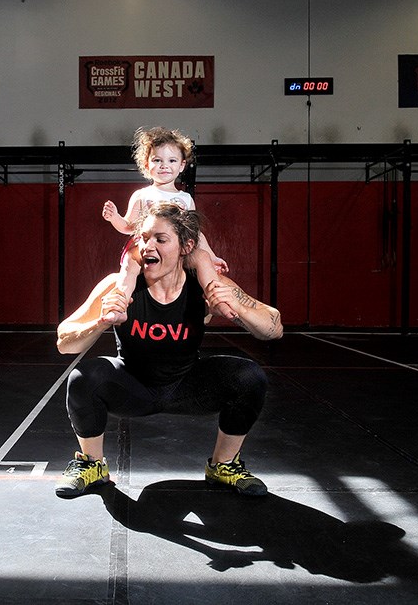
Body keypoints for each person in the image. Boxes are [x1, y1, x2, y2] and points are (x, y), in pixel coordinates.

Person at [55, 202, 283, 499]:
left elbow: (274, 327)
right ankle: (92, 465)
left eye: (160, 240)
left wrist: (237, 310)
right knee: (85, 376)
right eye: (143, 238)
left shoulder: (203, 286)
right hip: (133, 386)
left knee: (249, 376)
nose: (148, 246)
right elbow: (64, 342)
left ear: (185, 246)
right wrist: (100, 323)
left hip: (186, 386)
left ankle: (223, 465)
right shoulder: (118, 286)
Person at [101, 126, 235, 323]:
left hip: (177, 249)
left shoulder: (185, 199)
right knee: (130, 262)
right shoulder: (142, 195)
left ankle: (217, 300)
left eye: (171, 160)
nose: (165, 165)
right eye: (157, 160)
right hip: (146, 246)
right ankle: (119, 305)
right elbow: (128, 226)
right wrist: (115, 218)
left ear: (182, 166)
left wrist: (212, 256)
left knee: (202, 258)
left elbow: (195, 233)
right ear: (146, 165)